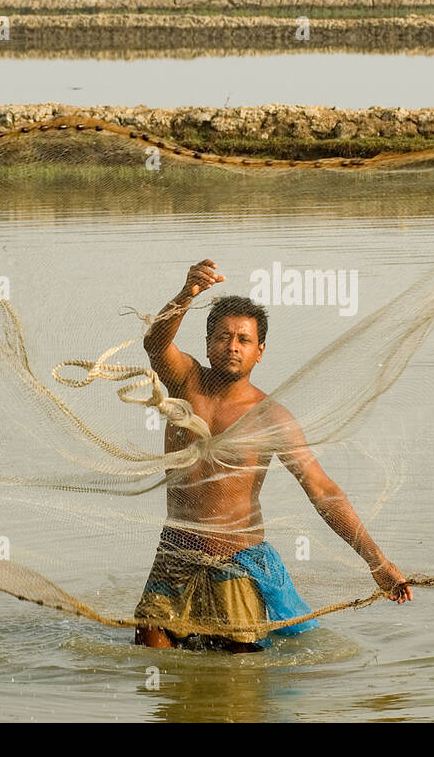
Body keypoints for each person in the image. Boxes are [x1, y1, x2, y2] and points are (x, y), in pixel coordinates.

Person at [133, 259, 412, 652]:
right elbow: (154, 344)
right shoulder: (185, 381)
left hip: (235, 561)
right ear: (208, 343)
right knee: (150, 647)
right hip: (175, 553)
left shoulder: (271, 417)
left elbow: (322, 490)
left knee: (238, 668)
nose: (232, 346)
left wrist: (377, 562)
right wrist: (187, 295)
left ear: (259, 351)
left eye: (243, 340)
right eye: (223, 337)